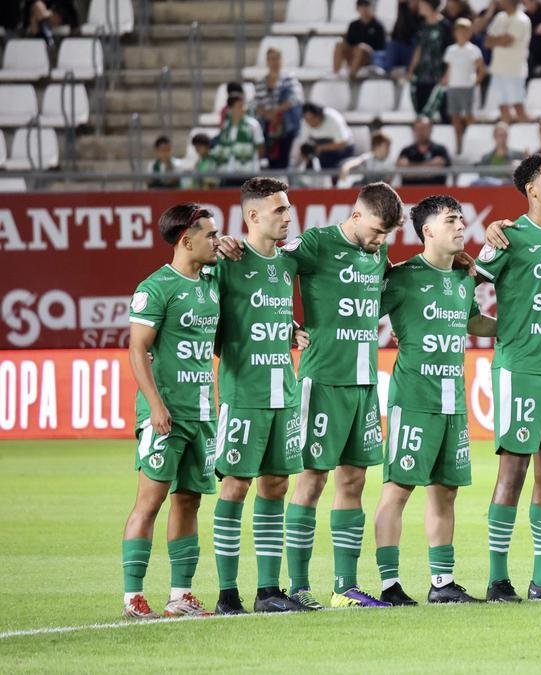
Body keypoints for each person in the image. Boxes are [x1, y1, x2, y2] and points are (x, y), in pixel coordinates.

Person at [216, 183, 403, 610]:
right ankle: (298, 586)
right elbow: (266, 267)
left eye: (387, 235)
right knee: (311, 480)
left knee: (354, 480)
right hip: (322, 381)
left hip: (365, 383)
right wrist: (228, 244)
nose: (380, 240)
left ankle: (345, 587)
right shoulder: (316, 244)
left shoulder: (377, 254)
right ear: (356, 216)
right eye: (376, 230)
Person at [373, 195, 497, 605]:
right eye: (451, 220)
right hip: (414, 400)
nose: (461, 225)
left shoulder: (463, 278)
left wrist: (519, 325)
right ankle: (390, 585)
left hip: (453, 403)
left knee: (446, 492)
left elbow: (473, 321)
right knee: (398, 490)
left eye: (462, 218)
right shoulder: (402, 277)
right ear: (427, 230)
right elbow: (361, 313)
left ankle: (442, 583)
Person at [472, 155, 541, 601]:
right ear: (531, 189)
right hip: (521, 369)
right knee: (513, 471)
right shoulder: (509, 236)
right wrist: (491, 326)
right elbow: (465, 282)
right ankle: (498, 580)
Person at [209, 178, 309, 615]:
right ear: (252, 216)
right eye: (279, 210)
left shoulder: (287, 264)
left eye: (288, 208)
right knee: (235, 485)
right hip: (244, 392)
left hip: (283, 390)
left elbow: (265, 313)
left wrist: (290, 330)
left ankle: (268, 590)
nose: (288, 217)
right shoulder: (225, 261)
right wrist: (219, 245)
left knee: (276, 484)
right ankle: (227, 592)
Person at [121, 203, 221, 619]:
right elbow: (137, 349)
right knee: (150, 501)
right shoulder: (156, 287)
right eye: (210, 235)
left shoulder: (212, 283)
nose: (217, 241)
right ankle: (133, 597)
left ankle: (180, 595)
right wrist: (155, 406)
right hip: (165, 414)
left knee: (189, 501)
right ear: (186, 240)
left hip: (203, 412)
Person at [483, 0, 532, 123]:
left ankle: (528, 132)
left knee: (518, 108)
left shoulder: (521, 19)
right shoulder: (500, 17)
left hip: (514, 70)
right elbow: (487, 42)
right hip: (498, 69)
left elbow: (506, 41)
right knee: (503, 107)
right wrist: (499, 40)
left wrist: (497, 40)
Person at [255, 47, 305, 169]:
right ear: (267, 61)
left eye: (277, 58)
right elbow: (257, 104)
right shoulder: (261, 82)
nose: (275, 62)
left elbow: (295, 98)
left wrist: (277, 111)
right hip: (268, 125)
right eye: (272, 59)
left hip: (285, 125)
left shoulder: (289, 79)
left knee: (284, 159)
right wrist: (269, 115)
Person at [441, 17, 486, 152]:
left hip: (467, 88)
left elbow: (481, 70)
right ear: (455, 32)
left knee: (468, 117)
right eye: (459, 30)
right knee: (455, 118)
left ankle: (471, 144)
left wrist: (474, 83)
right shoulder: (450, 50)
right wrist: (445, 81)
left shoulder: (474, 50)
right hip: (453, 87)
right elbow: (449, 69)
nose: (462, 33)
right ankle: (459, 145)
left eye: (465, 30)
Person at [408, 0, 452, 121]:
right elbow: (419, 49)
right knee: (422, 115)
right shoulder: (422, 25)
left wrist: (447, 74)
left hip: (438, 77)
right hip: (422, 76)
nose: (419, 7)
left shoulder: (445, 26)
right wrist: (411, 69)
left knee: (443, 115)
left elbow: (450, 52)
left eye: (422, 4)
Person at [212, 93, 265, 179]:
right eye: (239, 106)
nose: (243, 109)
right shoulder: (226, 126)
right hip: (227, 172)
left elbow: (260, 148)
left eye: (243, 105)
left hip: (248, 173)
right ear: (230, 109)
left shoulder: (253, 125)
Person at [293, 102, 356, 171]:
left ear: (319, 115)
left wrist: (320, 148)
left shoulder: (333, 118)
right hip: (320, 148)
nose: (310, 122)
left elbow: (343, 143)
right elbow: (302, 143)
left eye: (312, 119)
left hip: (342, 149)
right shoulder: (305, 122)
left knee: (326, 158)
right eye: (307, 120)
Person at [334, 0, 388, 79]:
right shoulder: (353, 25)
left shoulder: (378, 26)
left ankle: (351, 76)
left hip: (370, 58)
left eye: (366, 5)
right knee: (339, 44)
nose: (364, 8)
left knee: (361, 48)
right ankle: (336, 73)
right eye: (361, 6)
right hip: (354, 56)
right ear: (357, 8)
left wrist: (366, 49)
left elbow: (381, 49)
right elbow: (349, 43)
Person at [397, 115, 452, 185]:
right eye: (418, 129)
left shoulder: (440, 150)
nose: (421, 132)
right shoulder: (406, 151)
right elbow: (403, 172)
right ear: (413, 130)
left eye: (424, 128)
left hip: (436, 190)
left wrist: (411, 167)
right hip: (410, 190)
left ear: (431, 130)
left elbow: (440, 169)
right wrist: (431, 166)